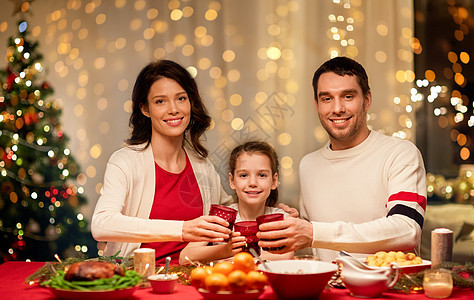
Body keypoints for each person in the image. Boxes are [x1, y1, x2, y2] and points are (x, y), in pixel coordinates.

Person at [257, 56, 427, 262]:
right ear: (317, 104)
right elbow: (320, 238)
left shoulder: (400, 153)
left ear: (367, 100)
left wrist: (312, 232)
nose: (337, 108)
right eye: (326, 98)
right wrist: (295, 224)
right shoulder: (308, 165)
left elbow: (407, 230)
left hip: (389, 289)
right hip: (328, 289)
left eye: (348, 96)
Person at [91, 60, 233, 264]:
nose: (174, 109)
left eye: (181, 98)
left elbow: (230, 210)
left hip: (194, 281)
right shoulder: (125, 162)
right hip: (139, 281)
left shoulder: (202, 165)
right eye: (160, 101)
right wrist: (182, 230)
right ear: (145, 109)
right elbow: (101, 224)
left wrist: (274, 211)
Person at [179, 141, 294, 264]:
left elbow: (286, 255)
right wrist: (226, 250)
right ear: (232, 181)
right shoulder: (221, 219)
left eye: (262, 175)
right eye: (244, 175)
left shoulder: (281, 219)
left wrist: (232, 259)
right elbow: (184, 257)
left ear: (274, 181)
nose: (253, 183)